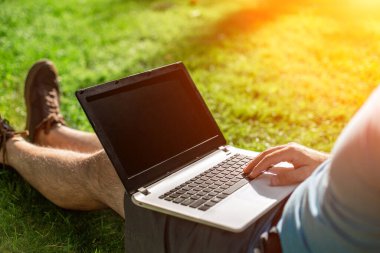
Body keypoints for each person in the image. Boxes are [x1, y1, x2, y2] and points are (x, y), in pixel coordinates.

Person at [0, 60, 379, 252]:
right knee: (157, 159)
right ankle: (51, 133)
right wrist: (329, 168)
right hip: (297, 199)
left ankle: (10, 147)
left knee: (114, 174)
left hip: (262, 243)